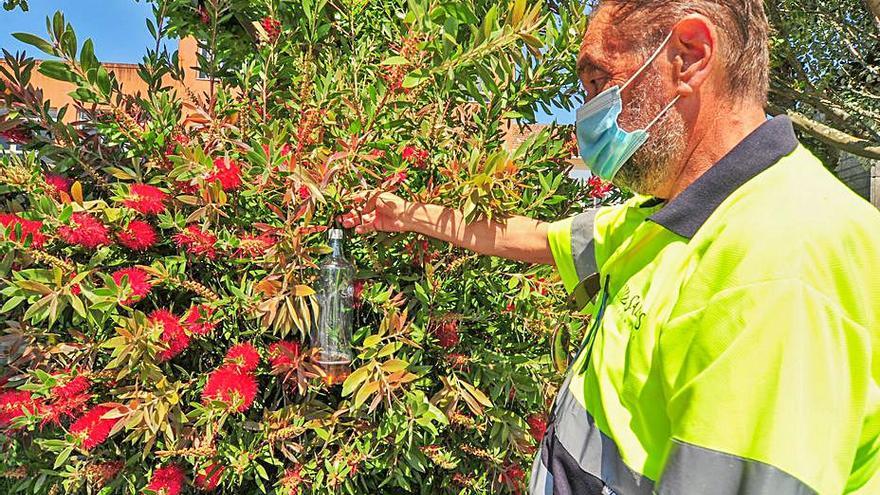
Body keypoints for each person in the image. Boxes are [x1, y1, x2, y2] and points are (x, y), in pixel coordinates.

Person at [343, 1, 880, 493]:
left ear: (688, 58)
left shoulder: (776, 264)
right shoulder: (670, 215)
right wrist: (403, 215)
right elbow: (532, 238)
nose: (587, 113)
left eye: (599, 80)